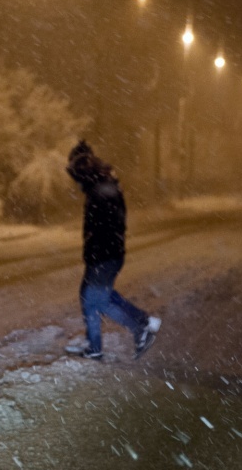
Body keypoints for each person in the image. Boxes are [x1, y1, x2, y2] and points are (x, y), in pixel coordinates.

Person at [64, 140, 160, 360]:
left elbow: (108, 227)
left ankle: (140, 327)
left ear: (84, 171)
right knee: (95, 296)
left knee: (96, 300)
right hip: (105, 255)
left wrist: (96, 254)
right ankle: (97, 343)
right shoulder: (102, 187)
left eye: (76, 176)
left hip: (104, 256)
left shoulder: (102, 191)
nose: (76, 183)